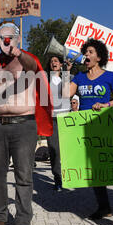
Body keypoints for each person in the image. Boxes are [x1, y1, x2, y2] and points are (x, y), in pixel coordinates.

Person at [0, 21, 52, 225]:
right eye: (2, 36)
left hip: (24, 124)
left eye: (11, 35)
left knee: (23, 175)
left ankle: (22, 223)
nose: (6, 39)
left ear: (17, 37)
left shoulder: (27, 59)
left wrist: (19, 53)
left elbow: (34, 69)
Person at [69, 38, 113, 224]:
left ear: (99, 57)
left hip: (106, 126)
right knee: (95, 169)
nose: (86, 55)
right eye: (85, 52)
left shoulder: (109, 76)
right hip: (86, 129)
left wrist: (105, 104)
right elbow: (64, 95)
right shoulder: (79, 77)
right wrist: (67, 71)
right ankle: (104, 207)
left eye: (90, 52)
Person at [45, 55, 72, 191]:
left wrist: (67, 73)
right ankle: (58, 179)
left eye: (56, 61)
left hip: (65, 116)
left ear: (61, 64)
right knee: (54, 149)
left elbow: (66, 94)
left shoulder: (68, 78)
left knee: (68, 149)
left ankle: (70, 176)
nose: (53, 62)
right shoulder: (45, 79)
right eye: (51, 61)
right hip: (51, 118)